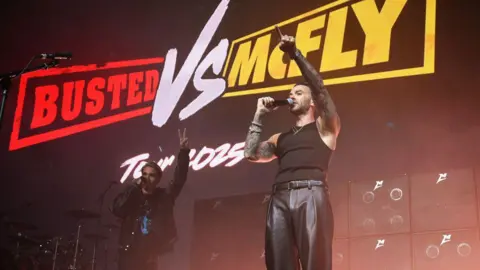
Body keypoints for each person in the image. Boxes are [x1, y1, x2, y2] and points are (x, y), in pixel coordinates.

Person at [243, 28, 341, 270]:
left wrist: (295, 54)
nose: (292, 96)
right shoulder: (280, 138)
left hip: (311, 194)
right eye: (290, 93)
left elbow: (319, 87)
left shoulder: (325, 127)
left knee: (314, 262)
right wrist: (258, 115)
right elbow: (250, 153)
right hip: (279, 198)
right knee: (279, 263)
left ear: (312, 102)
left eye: (298, 92)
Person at [111, 129, 190, 270]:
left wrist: (183, 153)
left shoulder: (163, 197)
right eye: (144, 174)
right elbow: (117, 209)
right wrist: (133, 187)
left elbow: (179, 180)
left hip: (151, 256)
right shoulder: (132, 194)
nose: (146, 178)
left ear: (158, 179)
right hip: (128, 255)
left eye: (151, 175)